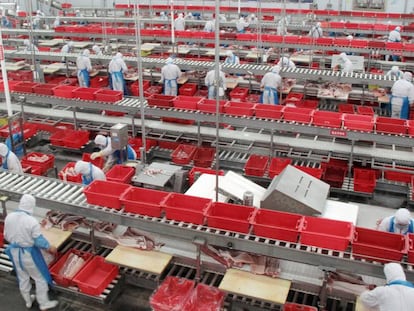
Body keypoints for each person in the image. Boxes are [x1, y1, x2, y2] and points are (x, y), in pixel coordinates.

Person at [4, 194, 59, 310]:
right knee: (40, 278)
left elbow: (6, 235)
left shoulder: (9, 217)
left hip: (14, 251)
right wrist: (49, 247)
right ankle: (44, 303)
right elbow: (38, 240)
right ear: (32, 206)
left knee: (23, 277)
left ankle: (28, 301)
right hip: (28, 254)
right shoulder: (31, 221)